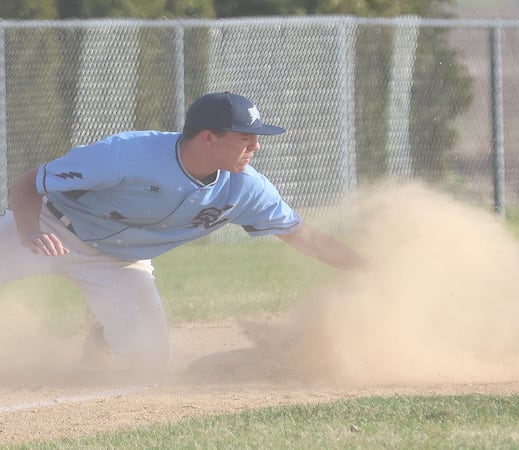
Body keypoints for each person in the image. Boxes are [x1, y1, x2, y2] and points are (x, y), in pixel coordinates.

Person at [2, 91, 365, 372]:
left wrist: (368, 267)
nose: (256, 146)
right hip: (53, 228)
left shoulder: (246, 189)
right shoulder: (126, 154)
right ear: (209, 138)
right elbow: (27, 184)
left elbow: (301, 235)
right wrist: (29, 231)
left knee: (149, 362)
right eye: (245, 137)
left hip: (118, 263)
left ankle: (102, 332)